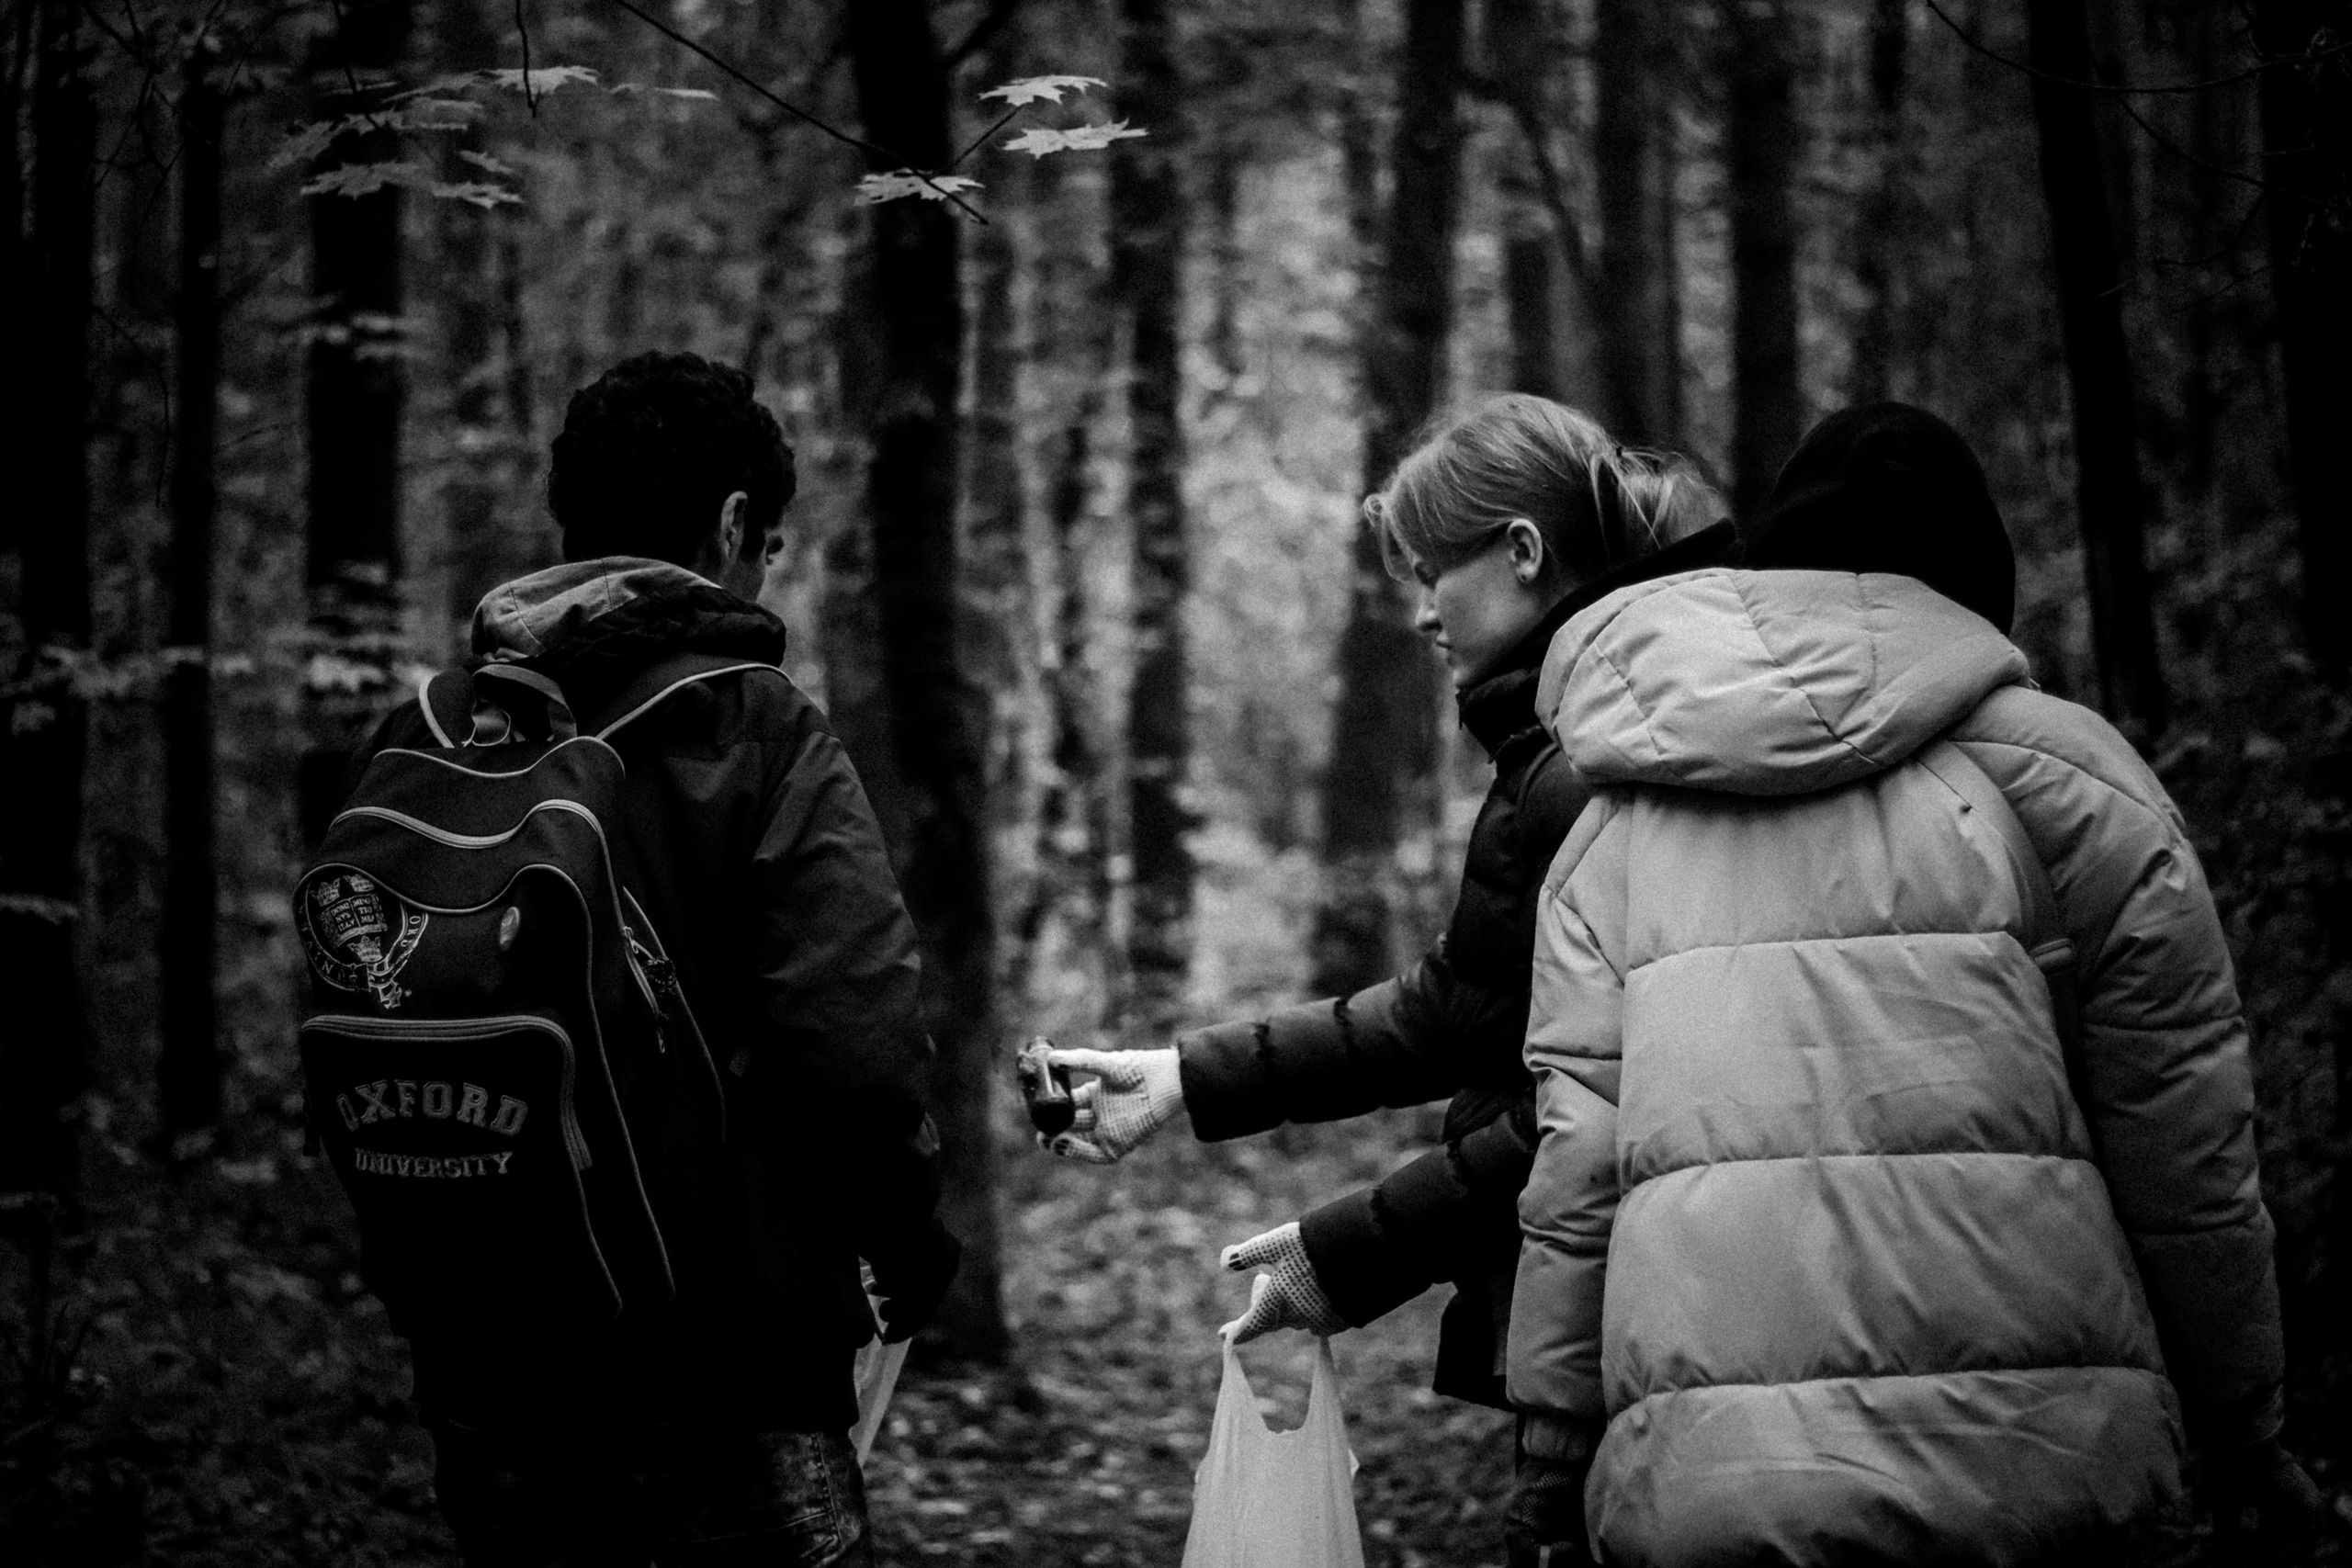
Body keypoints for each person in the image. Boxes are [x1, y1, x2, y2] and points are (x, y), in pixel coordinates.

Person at [1503, 402, 2323, 1566]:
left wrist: (1549, 1450)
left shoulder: (1618, 823)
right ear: (1973, 584)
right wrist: (2246, 1429)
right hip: (2048, 1476)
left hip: (1714, 1489)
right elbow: (2184, 1149)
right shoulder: (2077, 787)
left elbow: (1577, 1159)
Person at [341, 351, 959, 1566]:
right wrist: (909, 1236)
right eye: (768, 540)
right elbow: (857, 1051)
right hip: (731, 1373)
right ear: (735, 523)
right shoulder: (760, 728)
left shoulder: (436, 737)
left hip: (491, 1364)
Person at [1042, 394, 1732, 1402]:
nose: (1420, 612)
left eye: (1431, 572)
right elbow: (1460, 1010)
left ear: (1524, 551)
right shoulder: (1568, 742)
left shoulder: (1594, 766)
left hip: (1637, 1324)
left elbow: (1596, 1114)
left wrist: (1345, 1253)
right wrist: (1185, 1080)